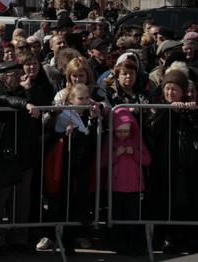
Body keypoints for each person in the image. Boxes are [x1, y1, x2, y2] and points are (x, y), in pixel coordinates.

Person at [0, 61, 42, 255]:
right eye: (14, 73)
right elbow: (0, 100)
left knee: (22, 200)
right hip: (4, 154)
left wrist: (28, 92)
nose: (20, 75)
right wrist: (24, 103)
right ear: (3, 76)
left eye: (19, 72)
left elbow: (39, 105)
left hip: (24, 153)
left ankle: (19, 237)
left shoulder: (23, 89)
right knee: (0, 200)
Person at [145, 69, 198, 254]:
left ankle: (188, 236)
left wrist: (190, 113)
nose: (170, 93)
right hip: (164, 164)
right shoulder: (157, 107)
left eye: (174, 89)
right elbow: (152, 129)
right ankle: (166, 237)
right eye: (167, 88)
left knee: (187, 201)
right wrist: (170, 113)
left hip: (187, 165)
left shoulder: (190, 109)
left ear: (182, 91)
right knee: (164, 201)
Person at [48, 83, 101, 254]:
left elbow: (91, 135)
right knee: (65, 201)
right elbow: (78, 133)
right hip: (66, 163)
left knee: (83, 189)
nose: (84, 102)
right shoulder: (65, 115)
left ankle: (79, 222)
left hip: (82, 162)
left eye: (86, 98)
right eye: (81, 98)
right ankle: (65, 241)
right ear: (71, 99)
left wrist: (93, 119)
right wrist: (72, 132)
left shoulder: (86, 114)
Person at [102, 107, 150, 256]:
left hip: (135, 186)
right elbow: (103, 162)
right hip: (115, 186)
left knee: (132, 217)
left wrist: (133, 153)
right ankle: (119, 243)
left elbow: (147, 159)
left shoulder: (137, 140)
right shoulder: (110, 141)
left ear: (131, 129)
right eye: (119, 131)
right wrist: (116, 154)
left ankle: (133, 243)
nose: (122, 134)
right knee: (117, 216)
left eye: (125, 131)